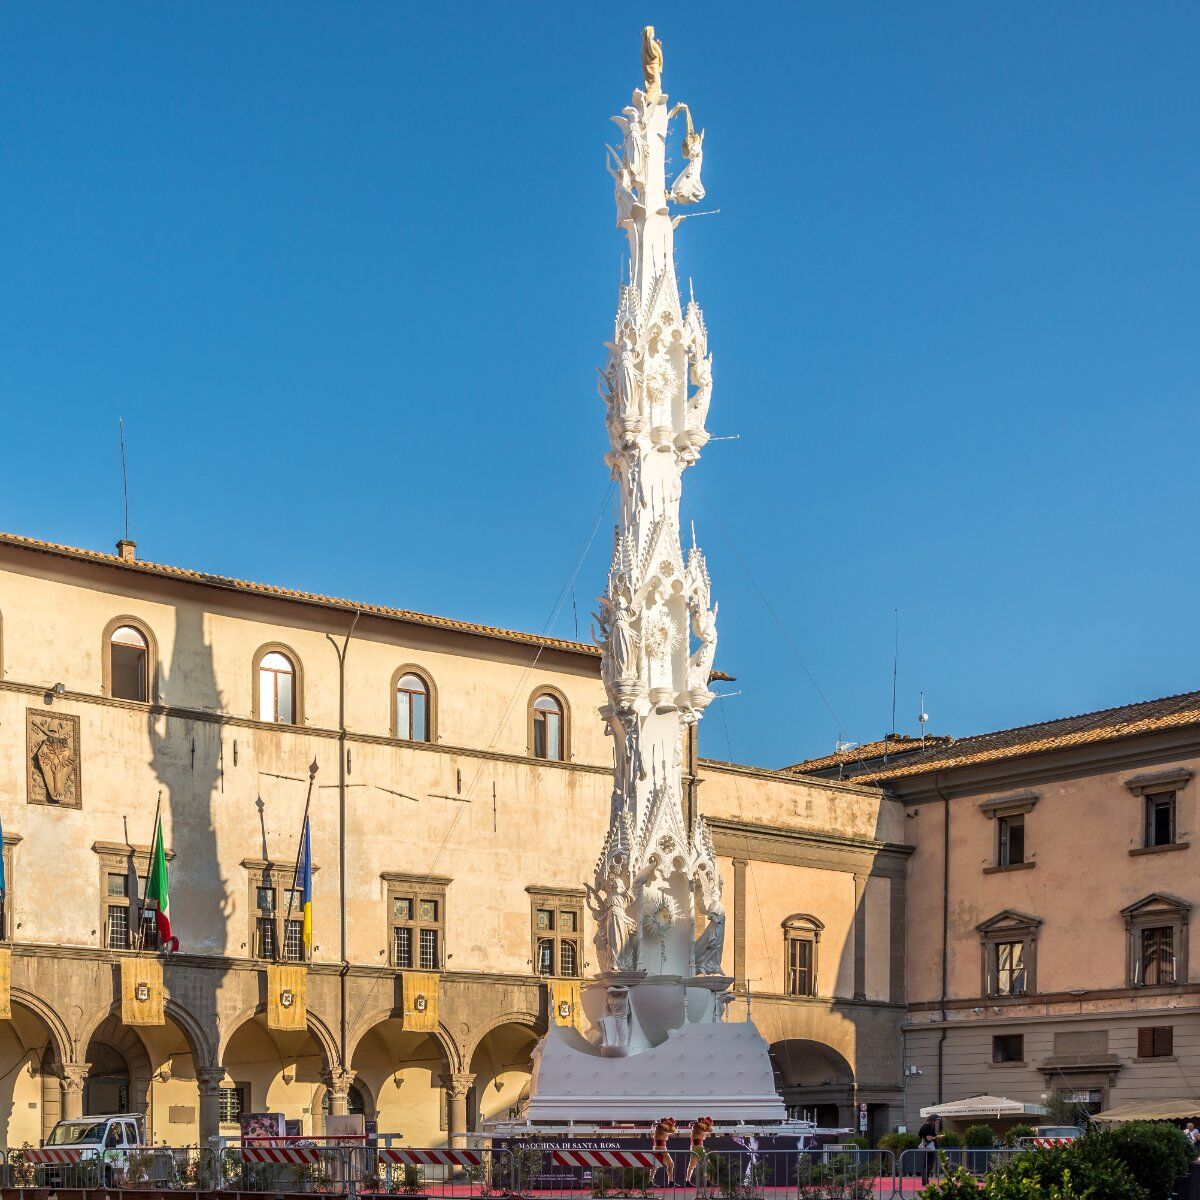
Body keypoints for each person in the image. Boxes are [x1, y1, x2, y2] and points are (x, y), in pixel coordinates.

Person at [917, 1117, 940, 1185]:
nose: (937, 1123)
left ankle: (925, 1181)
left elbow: (920, 1136)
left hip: (926, 1147)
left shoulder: (924, 1126)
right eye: (936, 1121)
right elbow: (929, 1138)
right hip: (930, 1148)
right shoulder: (929, 1127)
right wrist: (938, 1137)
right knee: (929, 1165)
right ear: (932, 1120)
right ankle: (925, 1181)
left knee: (926, 1165)